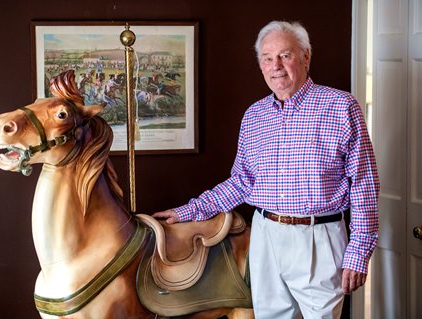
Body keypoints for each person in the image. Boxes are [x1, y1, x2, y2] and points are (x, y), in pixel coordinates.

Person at [152, 20, 379, 319]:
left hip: (318, 237)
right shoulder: (254, 116)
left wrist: (359, 253)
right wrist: (188, 211)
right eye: (267, 58)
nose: (276, 66)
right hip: (265, 235)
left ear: (306, 56)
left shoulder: (341, 106)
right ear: (260, 65)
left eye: (285, 55)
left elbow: (364, 185)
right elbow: (242, 181)